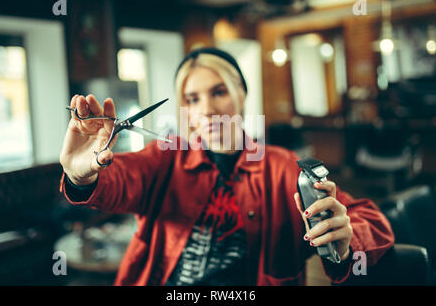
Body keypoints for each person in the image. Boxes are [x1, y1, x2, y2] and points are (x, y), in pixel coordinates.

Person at [59, 47, 394, 286]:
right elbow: (118, 179)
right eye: (192, 99)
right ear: (185, 110)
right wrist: (81, 175)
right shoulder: (164, 158)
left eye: (218, 92)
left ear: (242, 95)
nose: (206, 109)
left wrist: (347, 237)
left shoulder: (282, 168)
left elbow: (373, 221)